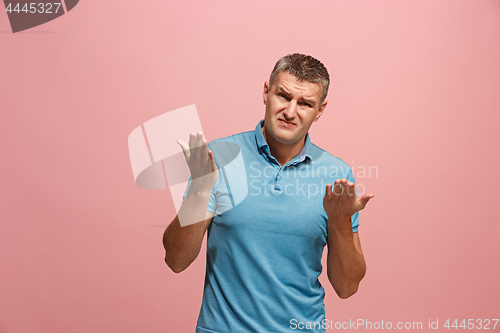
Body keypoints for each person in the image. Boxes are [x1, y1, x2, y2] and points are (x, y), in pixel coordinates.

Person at [162, 53, 374, 333]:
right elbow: (176, 260)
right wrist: (200, 190)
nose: (290, 111)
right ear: (266, 92)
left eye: (305, 103)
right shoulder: (220, 157)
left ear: (320, 110)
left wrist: (340, 222)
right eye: (283, 96)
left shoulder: (337, 174)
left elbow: (347, 287)